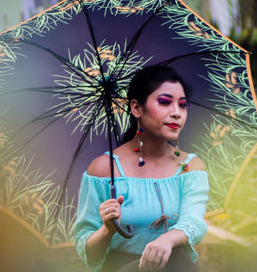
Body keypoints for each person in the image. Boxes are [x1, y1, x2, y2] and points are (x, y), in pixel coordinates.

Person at [75, 65, 209, 272]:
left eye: (182, 105)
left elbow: (194, 223)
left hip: (175, 266)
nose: (177, 113)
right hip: (121, 267)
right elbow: (86, 251)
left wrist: (167, 241)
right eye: (165, 102)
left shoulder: (189, 167)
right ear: (136, 108)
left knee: (178, 260)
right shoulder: (104, 169)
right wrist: (106, 230)